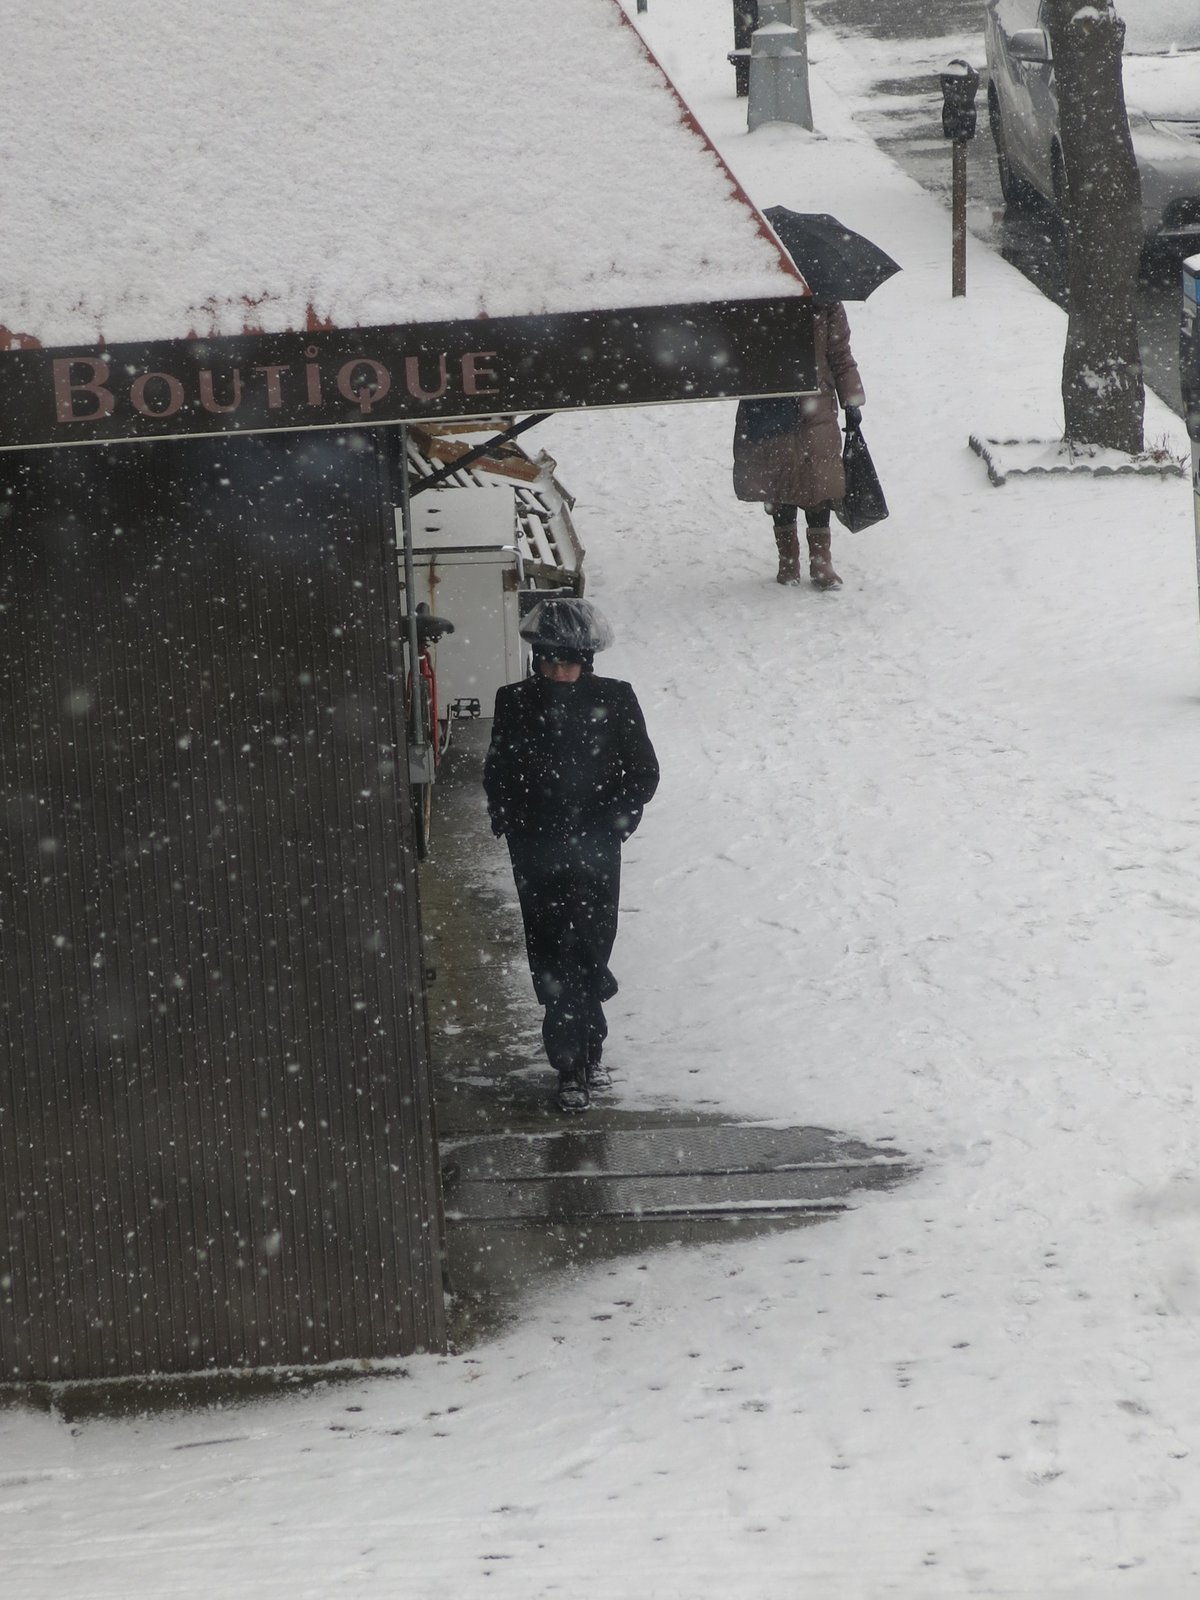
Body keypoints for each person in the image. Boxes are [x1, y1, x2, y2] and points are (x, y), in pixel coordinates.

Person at [483, 597, 659, 1113]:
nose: (560, 673)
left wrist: (616, 821)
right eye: (550, 662)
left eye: (569, 662)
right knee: (552, 950)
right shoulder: (515, 701)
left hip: (595, 846)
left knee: (590, 946)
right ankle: (570, 1064)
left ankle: (590, 1048)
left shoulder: (617, 698)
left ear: (587, 660)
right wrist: (511, 819)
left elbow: (642, 770)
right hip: (536, 847)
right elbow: (499, 770)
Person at [732, 297, 866, 590]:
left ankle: (821, 563)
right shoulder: (759, 296)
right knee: (780, 481)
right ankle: (788, 560)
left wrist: (851, 397)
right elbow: (738, 350)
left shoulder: (826, 301)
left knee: (818, 482)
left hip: (815, 405)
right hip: (769, 401)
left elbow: (840, 354)